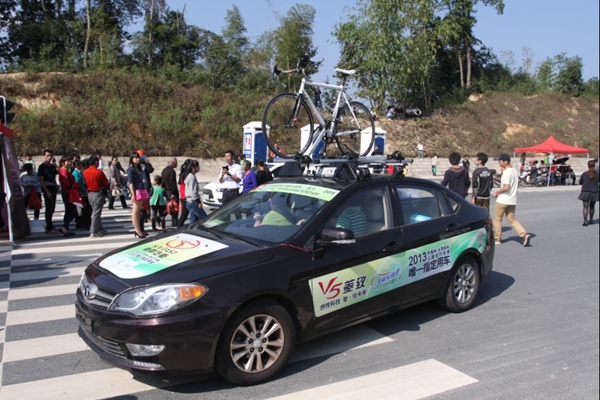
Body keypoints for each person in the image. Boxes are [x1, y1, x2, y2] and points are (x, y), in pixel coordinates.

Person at [492, 154, 531, 246]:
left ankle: (497, 238)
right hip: (512, 200)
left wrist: (496, 192)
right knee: (511, 219)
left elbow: (506, 187)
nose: (499, 163)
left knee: (497, 219)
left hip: (503, 200)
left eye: (500, 161)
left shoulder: (507, 172)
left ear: (505, 162)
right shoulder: (514, 171)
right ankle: (524, 234)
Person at [84, 155, 110, 238]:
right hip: (97, 193)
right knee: (96, 213)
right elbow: (106, 183)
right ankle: (93, 231)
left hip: (89, 194)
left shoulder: (85, 171)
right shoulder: (98, 172)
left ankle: (100, 229)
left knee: (96, 212)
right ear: (96, 162)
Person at [38, 149, 61, 235]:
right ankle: (49, 226)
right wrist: (46, 191)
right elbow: (41, 180)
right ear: (44, 156)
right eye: (47, 155)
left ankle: (50, 224)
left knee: (52, 207)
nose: (49, 157)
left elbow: (59, 172)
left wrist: (55, 164)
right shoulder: (42, 167)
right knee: (48, 207)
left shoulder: (52, 166)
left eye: (50, 155)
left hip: (53, 187)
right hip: (47, 188)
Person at [127, 152, 148, 238]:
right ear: (132, 159)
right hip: (137, 191)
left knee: (138, 212)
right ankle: (137, 230)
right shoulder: (130, 169)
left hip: (141, 190)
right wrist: (133, 194)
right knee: (135, 212)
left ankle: (139, 229)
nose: (138, 159)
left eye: (138, 157)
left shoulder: (138, 168)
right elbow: (130, 182)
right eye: (135, 158)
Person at [58, 156, 78, 237]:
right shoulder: (63, 171)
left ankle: (66, 228)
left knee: (68, 211)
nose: (70, 163)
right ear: (63, 162)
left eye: (70, 161)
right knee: (73, 211)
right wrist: (73, 185)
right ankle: (64, 226)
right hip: (67, 192)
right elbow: (66, 183)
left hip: (68, 192)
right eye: (68, 161)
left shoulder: (66, 170)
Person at [578, 160, 599, 226]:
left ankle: (585, 221)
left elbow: (580, 182)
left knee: (585, 207)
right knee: (592, 207)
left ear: (588, 165)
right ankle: (591, 220)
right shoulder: (598, 174)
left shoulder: (584, 174)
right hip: (594, 192)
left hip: (585, 192)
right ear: (594, 166)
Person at [72, 160, 91, 230]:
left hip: (82, 192)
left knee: (85, 209)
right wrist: (85, 190)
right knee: (85, 209)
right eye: (80, 165)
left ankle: (84, 222)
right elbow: (78, 184)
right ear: (76, 166)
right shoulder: (75, 173)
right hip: (81, 193)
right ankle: (84, 223)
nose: (81, 166)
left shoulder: (79, 172)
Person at [161, 157, 179, 227]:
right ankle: (174, 221)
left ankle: (161, 217)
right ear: (173, 163)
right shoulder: (172, 171)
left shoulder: (164, 170)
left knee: (169, 205)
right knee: (174, 206)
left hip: (166, 190)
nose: (177, 164)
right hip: (171, 190)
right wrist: (173, 193)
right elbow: (172, 183)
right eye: (176, 163)